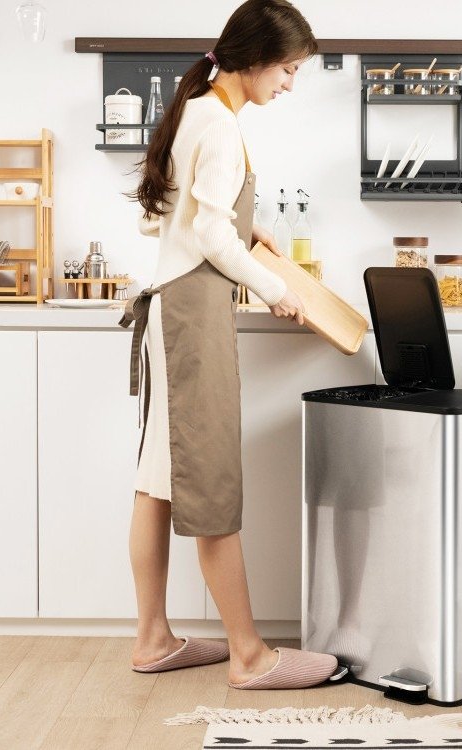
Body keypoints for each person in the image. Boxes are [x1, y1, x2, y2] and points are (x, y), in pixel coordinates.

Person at [120, 0, 338, 690]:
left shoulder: (193, 109)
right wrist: (274, 288)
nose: (290, 84)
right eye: (289, 69)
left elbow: (164, 219)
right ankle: (250, 656)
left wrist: (250, 233)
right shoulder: (218, 123)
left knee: (158, 485)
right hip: (191, 319)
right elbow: (209, 234)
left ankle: (152, 639)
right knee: (210, 481)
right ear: (257, 59)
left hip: (171, 311)